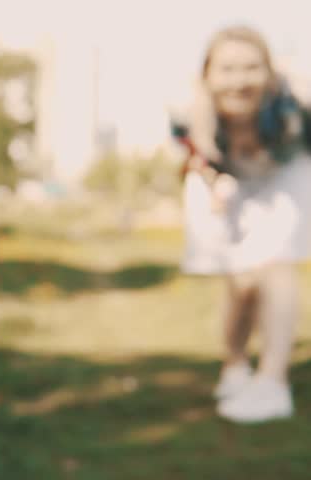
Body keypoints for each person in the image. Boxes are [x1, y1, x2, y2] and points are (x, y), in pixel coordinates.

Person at [178, 25, 311, 423]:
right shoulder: (189, 108)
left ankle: (273, 384)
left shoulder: (294, 100)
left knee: (276, 264)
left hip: (284, 174)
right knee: (241, 282)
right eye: (229, 68)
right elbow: (193, 151)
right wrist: (215, 183)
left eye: (252, 68)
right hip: (226, 178)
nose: (240, 80)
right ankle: (235, 367)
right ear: (207, 74)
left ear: (270, 72)